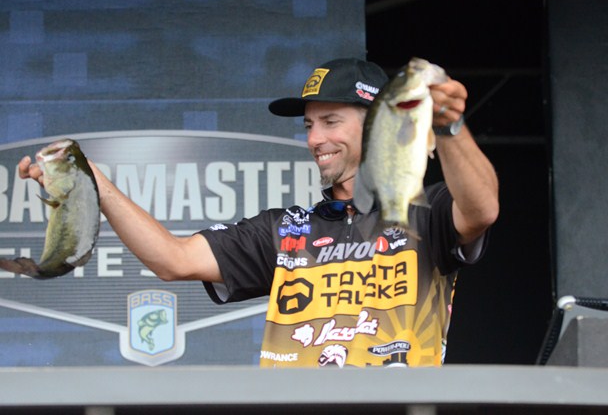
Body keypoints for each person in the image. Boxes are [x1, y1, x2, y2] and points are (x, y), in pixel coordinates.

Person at [19, 58, 499, 368]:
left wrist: (447, 126)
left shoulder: (423, 212)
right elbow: (172, 259)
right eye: (309, 125)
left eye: (331, 122)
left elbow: (481, 208)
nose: (315, 139)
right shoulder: (285, 230)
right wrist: (93, 183)